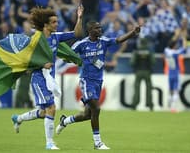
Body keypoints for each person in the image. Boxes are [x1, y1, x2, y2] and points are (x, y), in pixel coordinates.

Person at [55, 21, 141, 150]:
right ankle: (97, 142)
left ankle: (65, 121)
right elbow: (68, 54)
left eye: (100, 27)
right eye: (97, 28)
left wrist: (133, 33)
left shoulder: (104, 41)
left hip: (98, 82)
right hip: (86, 80)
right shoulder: (82, 44)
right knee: (96, 108)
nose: (100, 30)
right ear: (90, 30)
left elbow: (118, 40)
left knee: (87, 115)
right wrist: (72, 59)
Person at [11, 5, 83, 150]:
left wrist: (79, 17)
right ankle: (49, 142)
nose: (57, 24)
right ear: (46, 25)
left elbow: (76, 33)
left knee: (44, 113)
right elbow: (25, 60)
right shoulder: (35, 40)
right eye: (54, 22)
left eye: (57, 21)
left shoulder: (56, 37)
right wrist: (42, 64)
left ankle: (18, 119)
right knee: (51, 108)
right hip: (38, 79)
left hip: (49, 79)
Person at [131, 38, 155, 111]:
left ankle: (134, 104)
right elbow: (153, 61)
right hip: (147, 71)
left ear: (140, 43)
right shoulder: (149, 51)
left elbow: (132, 62)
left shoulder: (137, 51)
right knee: (149, 89)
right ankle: (149, 104)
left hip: (138, 71)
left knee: (137, 89)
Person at [164, 39, 186, 112]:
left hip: (170, 73)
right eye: (176, 45)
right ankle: (173, 108)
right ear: (174, 46)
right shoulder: (175, 53)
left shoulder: (166, 50)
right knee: (175, 91)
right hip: (176, 74)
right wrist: (184, 38)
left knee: (170, 90)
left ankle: (169, 104)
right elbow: (184, 48)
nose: (177, 46)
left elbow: (169, 47)